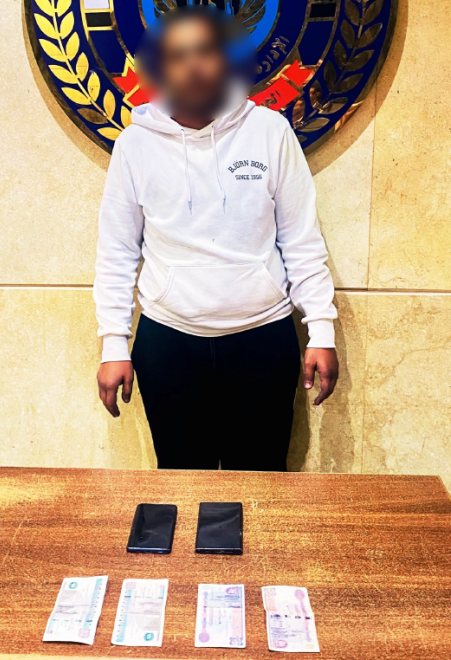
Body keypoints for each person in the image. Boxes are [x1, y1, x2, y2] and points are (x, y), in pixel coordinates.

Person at [94, 6, 339, 471]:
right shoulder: (135, 145)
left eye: (204, 51)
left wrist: (321, 330)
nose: (193, 65)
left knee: (261, 488)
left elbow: (301, 240)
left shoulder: (269, 132)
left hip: (262, 338)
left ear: (225, 58)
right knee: (181, 490)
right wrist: (113, 345)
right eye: (178, 55)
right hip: (169, 342)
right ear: (162, 68)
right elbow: (117, 253)